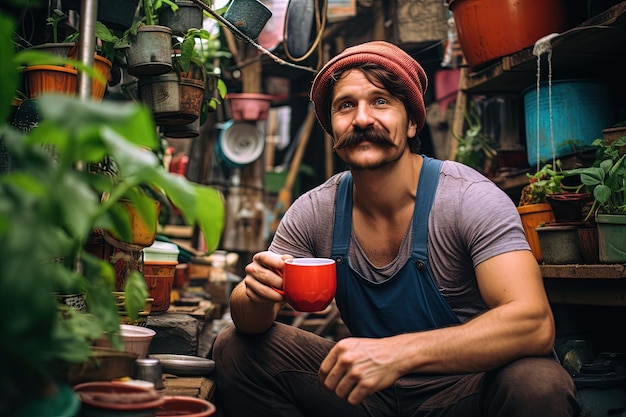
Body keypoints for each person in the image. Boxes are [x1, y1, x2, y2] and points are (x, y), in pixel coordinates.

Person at [211, 41, 579, 417]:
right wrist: (255, 295)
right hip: (371, 396)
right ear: (332, 127)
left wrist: (399, 352)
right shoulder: (316, 209)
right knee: (237, 349)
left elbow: (533, 322)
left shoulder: (468, 198)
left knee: (537, 382)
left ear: (413, 122)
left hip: (470, 392)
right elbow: (250, 321)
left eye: (381, 101)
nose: (362, 119)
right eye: (345, 105)